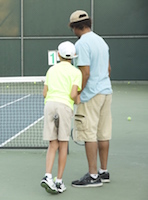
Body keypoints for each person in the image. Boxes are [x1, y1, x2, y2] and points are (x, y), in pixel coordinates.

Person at [69, 10, 113, 187]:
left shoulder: (81, 44)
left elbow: (85, 73)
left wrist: (78, 93)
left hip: (91, 95)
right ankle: (103, 171)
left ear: (74, 27)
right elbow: (108, 69)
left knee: (89, 134)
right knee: (103, 133)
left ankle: (93, 176)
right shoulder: (101, 41)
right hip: (106, 92)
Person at [40, 41, 82, 194]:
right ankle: (59, 181)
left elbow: (45, 93)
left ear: (58, 55)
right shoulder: (76, 73)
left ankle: (47, 176)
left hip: (49, 105)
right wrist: (79, 100)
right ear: (73, 57)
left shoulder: (51, 70)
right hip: (64, 107)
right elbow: (73, 95)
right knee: (63, 144)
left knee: (53, 144)